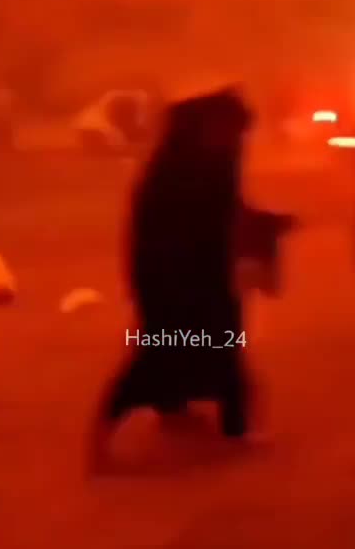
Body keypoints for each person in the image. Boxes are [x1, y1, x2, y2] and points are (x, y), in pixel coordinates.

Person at [88, 87, 260, 469]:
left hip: (210, 276)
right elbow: (156, 235)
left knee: (224, 349)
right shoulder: (173, 170)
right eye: (228, 130)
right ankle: (103, 437)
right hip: (170, 279)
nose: (233, 140)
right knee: (161, 351)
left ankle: (230, 427)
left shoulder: (219, 161)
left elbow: (228, 212)